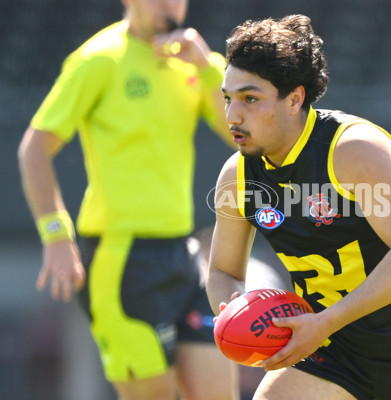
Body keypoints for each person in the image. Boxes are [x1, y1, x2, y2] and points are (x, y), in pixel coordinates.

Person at [206, 14, 391, 400]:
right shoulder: (238, 176)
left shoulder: (353, 151)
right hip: (333, 352)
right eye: (228, 98)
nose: (232, 116)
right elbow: (223, 271)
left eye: (250, 99)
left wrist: (324, 322)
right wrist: (238, 314)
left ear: (294, 99)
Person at [17, 0, 239, 399]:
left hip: (183, 254)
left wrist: (207, 68)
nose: (168, 5)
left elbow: (241, 135)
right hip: (121, 261)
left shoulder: (197, 63)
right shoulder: (98, 60)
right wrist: (56, 235)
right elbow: (34, 149)